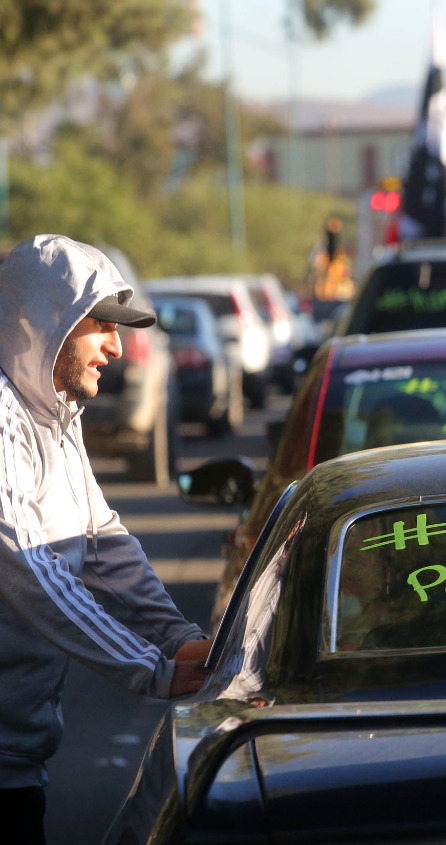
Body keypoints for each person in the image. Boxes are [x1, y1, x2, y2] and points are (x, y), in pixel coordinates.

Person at [0, 235, 211, 844]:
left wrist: (179, 639)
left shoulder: (53, 415)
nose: (117, 348)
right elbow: (26, 567)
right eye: (101, 326)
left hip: (17, 762)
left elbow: (99, 543)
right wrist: (153, 670)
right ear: (47, 323)